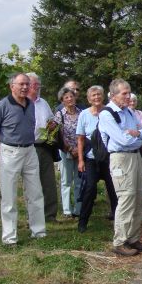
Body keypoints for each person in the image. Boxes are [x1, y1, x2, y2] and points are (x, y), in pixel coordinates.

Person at [0, 73, 46, 245]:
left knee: (35, 193)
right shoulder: (2, 106)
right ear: (11, 86)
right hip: (10, 152)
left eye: (27, 84)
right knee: (9, 196)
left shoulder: (31, 105)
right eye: (21, 84)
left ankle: (39, 231)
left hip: (30, 150)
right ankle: (10, 237)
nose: (25, 87)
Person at [99, 79, 142, 257]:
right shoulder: (107, 114)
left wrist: (135, 133)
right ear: (113, 95)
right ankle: (119, 240)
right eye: (124, 93)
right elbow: (122, 140)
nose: (128, 97)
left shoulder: (129, 111)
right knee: (126, 197)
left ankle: (133, 237)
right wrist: (134, 135)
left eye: (129, 92)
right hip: (120, 158)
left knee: (138, 197)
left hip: (135, 156)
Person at [76, 86, 119, 232]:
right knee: (90, 189)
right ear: (88, 98)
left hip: (108, 158)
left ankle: (118, 221)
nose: (96, 97)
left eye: (99, 94)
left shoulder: (109, 112)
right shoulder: (84, 115)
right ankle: (83, 222)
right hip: (91, 158)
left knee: (114, 189)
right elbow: (80, 139)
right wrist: (81, 160)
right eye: (93, 95)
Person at [26, 72, 59, 221]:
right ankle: (33, 215)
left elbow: (51, 119)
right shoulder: (22, 102)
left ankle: (50, 215)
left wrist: (52, 125)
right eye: (35, 84)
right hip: (27, 147)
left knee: (48, 181)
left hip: (43, 146)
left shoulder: (43, 102)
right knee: (31, 182)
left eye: (39, 84)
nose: (38, 87)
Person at [54, 86, 83, 218]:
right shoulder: (60, 114)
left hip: (80, 151)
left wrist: (78, 149)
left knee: (79, 181)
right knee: (66, 181)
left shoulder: (81, 112)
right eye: (66, 97)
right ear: (62, 100)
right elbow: (58, 134)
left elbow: (85, 132)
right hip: (66, 151)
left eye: (71, 96)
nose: (70, 99)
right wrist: (70, 149)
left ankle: (78, 209)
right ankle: (66, 210)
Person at [129, 93, 142, 172]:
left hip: (141, 143)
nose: (132, 103)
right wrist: (140, 131)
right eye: (130, 101)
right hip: (132, 144)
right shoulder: (126, 113)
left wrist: (139, 131)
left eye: (134, 101)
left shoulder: (140, 113)